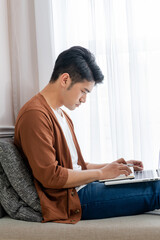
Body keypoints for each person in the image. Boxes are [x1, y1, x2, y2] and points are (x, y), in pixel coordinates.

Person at [14, 46, 160, 224]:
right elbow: (51, 176)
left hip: (80, 189)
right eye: (83, 91)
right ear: (65, 79)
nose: (84, 99)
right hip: (70, 199)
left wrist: (113, 168)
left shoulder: (61, 114)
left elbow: (76, 166)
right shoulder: (35, 115)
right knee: (157, 189)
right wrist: (101, 173)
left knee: (152, 182)